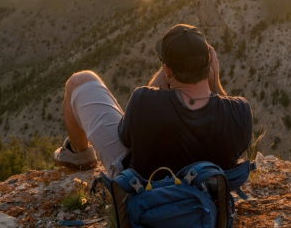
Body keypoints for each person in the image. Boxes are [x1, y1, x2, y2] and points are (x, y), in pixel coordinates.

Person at [54, 24, 252, 179]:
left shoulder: (144, 102)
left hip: (144, 194)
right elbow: (223, 110)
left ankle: (79, 155)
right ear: (209, 64)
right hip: (206, 207)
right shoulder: (240, 112)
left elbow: (127, 138)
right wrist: (214, 80)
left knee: (79, 82)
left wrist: (167, 72)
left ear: (167, 70)